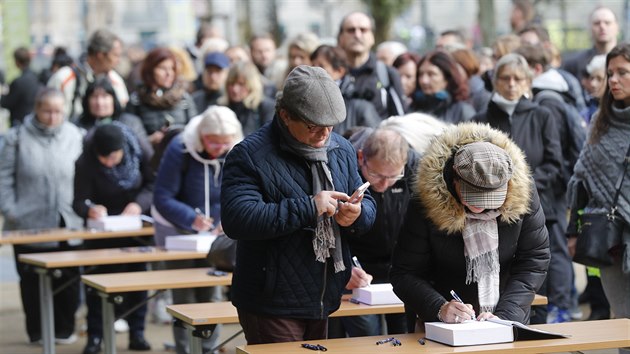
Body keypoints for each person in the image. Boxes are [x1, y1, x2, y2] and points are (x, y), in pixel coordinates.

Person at [220, 65, 377, 344]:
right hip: (271, 300)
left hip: (325, 295)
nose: (324, 134)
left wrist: (357, 214)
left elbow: (368, 203)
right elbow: (238, 219)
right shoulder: (248, 155)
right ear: (285, 115)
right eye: (312, 126)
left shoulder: (341, 149)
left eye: (330, 125)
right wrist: (309, 206)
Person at [390, 122, 550, 327]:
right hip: (442, 325)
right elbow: (404, 272)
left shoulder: (523, 195)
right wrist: (439, 307)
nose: (480, 207)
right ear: (454, 177)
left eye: (491, 200)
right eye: (472, 197)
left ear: (507, 185)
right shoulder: (426, 202)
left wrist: (507, 314)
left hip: (506, 318)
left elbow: (534, 259)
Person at [472, 53, 563, 324]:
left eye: (517, 79)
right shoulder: (481, 118)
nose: (511, 84)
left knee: (534, 277)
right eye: (505, 78)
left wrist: (521, 187)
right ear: (494, 81)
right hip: (491, 214)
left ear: (527, 82)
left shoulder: (542, 116)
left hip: (537, 210)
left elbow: (554, 164)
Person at [152, 106, 243, 354]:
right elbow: (162, 197)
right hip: (177, 230)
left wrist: (227, 218)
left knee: (211, 294)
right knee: (184, 299)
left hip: (213, 234)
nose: (218, 150)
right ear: (202, 135)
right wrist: (191, 218)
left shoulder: (233, 151)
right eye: (213, 143)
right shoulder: (180, 148)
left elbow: (235, 192)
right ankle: (186, 350)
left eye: (224, 144)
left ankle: (209, 349)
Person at [0, 88, 84, 345]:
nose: (52, 117)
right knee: (32, 280)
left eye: (58, 111)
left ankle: (65, 328)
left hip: (67, 219)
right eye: (47, 111)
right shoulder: (16, 138)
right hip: (27, 221)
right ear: (36, 109)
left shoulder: (75, 135)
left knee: (68, 279)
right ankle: (37, 330)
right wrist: (11, 210)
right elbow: (4, 178)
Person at [567, 44, 630, 354]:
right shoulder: (599, 123)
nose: (613, 80)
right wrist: (572, 231)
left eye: (622, 72)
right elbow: (581, 179)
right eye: (610, 74)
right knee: (623, 321)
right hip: (612, 239)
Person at [329, 127, 419, 338]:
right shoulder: (343, 171)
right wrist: (345, 266)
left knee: (405, 335)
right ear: (361, 158)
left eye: (394, 176)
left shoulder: (416, 171)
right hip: (359, 272)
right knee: (366, 336)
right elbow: (328, 229)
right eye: (377, 175)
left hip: (400, 272)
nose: (384, 184)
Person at [73, 123, 154, 354]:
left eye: (114, 157)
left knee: (137, 282)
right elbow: (78, 201)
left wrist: (139, 204)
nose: (109, 162)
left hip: (134, 230)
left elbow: (153, 183)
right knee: (96, 285)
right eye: (104, 158)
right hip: (101, 233)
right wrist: (90, 209)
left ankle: (137, 332)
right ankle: (95, 336)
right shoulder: (85, 161)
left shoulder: (139, 150)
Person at [337, 11, 406, 118]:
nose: (357, 35)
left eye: (363, 30)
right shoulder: (331, 75)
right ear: (341, 38)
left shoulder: (387, 74)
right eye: (351, 30)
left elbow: (401, 120)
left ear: (372, 37)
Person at [47, 29, 128, 120]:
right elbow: (49, 116)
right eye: (115, 55)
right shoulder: (64, 78)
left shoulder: (115, 81)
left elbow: (124, 115)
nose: (118, 61)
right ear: (100, 55)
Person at [127, 47, 197, 147]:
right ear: (150, 70)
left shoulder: (184, 98)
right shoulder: (137, 100)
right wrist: (149, 140)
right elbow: (129, 137)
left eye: (172, 68)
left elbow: (194, 130)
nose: (169, 73)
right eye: (163, 68)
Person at [310, 45, 380, 135]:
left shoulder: (362, 107)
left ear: (339, 71)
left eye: (321, 66)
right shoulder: (306, 100)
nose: (314, 71)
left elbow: (373, 142)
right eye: (312, 65)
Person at [76, 77, 152, 157]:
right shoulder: (78, 127)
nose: (99, 102)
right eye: (94, 96)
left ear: (113, 99)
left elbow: (147, 155)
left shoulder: (130, 122)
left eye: (105, 96)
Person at [410, 50, 476, 123]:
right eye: (421, 74)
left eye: (431, 74)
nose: (424, 81)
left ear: (447, 79)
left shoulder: (462, 112)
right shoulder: (413, 108)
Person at [216, 60, 274, 136]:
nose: (235, 89)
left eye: (241, 84)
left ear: (252, 84)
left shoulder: (266, 107)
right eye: (231, 83)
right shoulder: (221, 107)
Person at [562, 6, 619, 80]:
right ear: (589, 28)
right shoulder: (574, 64)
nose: (602, 26)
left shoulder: (627, 59)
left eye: (607, 23)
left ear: (617, 27)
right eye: (597, 23)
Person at [1, 46, 42, 126]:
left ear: (17, 62)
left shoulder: (18, 82)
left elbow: (6, 103)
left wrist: (2, 94)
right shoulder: (38, 77)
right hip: (35, 122)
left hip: (20, 122)